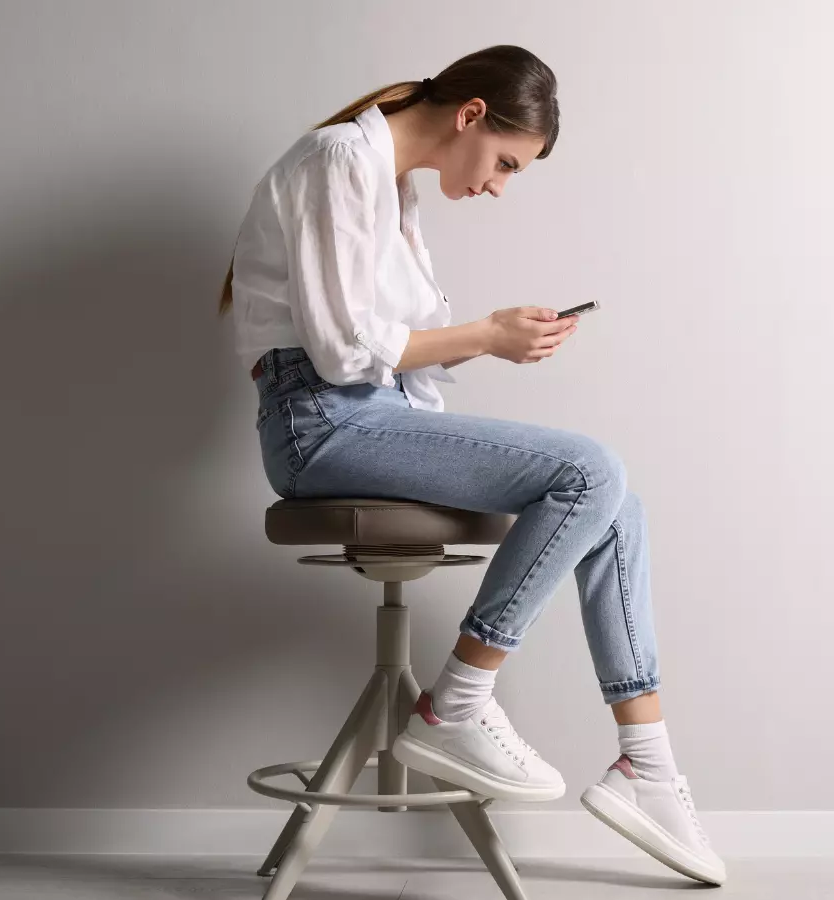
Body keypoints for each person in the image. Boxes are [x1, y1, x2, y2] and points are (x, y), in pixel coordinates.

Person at [221, 45, 724, 885]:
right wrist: (488, 335)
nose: (497, 185)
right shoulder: (339, 159)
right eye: (506, 163)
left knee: (615, 499)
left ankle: (649, 768)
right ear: (470, 116)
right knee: (592, 469)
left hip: (367, 417)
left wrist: (499, 339)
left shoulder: (393, 190)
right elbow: (345, 355)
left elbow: (397, 360)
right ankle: (454, 705)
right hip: (317, 426)